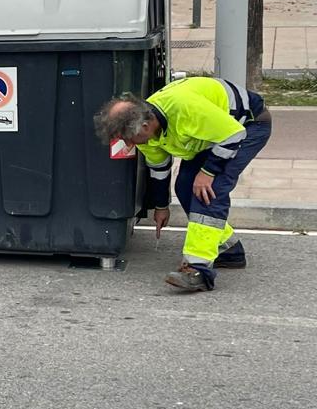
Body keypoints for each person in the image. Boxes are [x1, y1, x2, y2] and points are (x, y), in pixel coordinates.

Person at [94, 77, 272, 292]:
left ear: (145, 125)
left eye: (130, 138)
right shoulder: (147, 133)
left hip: (247, 125)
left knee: (208, 191)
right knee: (185, 187)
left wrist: (208, 172)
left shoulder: (184, 108)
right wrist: (161, 206)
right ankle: (229, 251)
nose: (129, 144)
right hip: (211, 136)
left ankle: (198, 270)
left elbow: (233, 135)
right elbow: (159, 169)